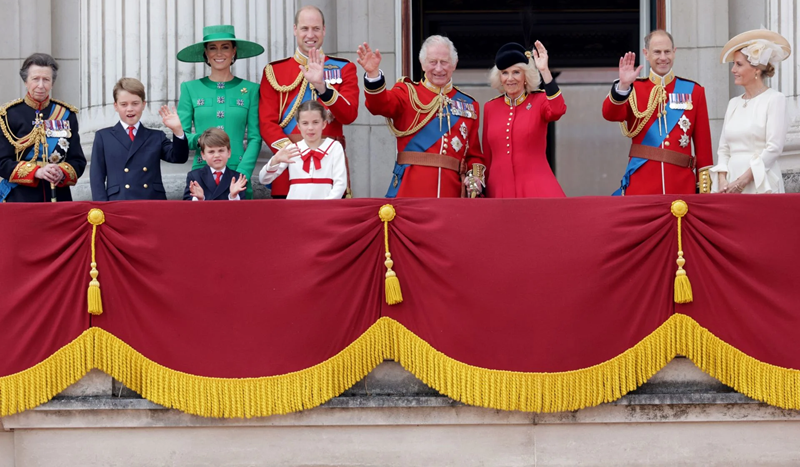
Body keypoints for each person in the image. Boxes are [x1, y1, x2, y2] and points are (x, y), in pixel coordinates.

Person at [357, 35, 486, 198]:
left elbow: (474, 155)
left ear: (454, 64)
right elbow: (379, 105)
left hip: (451, 194)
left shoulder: (469, 105)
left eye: (444, 62)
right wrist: (373, 75)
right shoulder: (407, 93)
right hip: (411, 191)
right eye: (433, 62)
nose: (439, 69)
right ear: (423, 64)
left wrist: (475, 179)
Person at [259, 5, 358, 198]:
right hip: (289, 169)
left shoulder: (344, 68)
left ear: (324, 30)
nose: (310, 34)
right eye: (305, 28)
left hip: (330, 165)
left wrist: (323, 87)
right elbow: (266, 123)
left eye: (316, 28)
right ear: (295, 29)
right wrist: (294, 154)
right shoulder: (275, 71)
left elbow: (349, 115)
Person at [602, 30, 713, 195]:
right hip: (641, 187)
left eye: (667, 52)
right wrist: (623, 86)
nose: (663, 57)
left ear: (674, 52)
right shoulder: (633, 89)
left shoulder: (694, 91)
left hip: (681, 187)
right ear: (646, 54)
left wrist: (703, 190)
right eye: (657, 52)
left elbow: (703, 147)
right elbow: (610, 114)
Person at [177, 25, 263, 199]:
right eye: (212, 48)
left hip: (238, 176)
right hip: (202, 174)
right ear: (206, 53)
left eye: (225, 47)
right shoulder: (190, 89)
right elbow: (181, 135)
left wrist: (242, 173)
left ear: (234, 51)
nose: (219, 53)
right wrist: (201, 139)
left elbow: (255, 137)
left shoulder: (251, 89)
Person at [711, 29, 791, 194]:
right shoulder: (733, 103)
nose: (733, 70)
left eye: (739, 64)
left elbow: (774, 148)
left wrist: (742, 181)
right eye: (733, 64)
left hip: (760, 182)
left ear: (757, 70)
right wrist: (722, 180)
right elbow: (723, 149)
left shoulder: (775, 99)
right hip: (730, 183)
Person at [483, 41, 566, 198]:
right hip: (499, 190)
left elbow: (558, 110)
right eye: (505, 73)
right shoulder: (490, 108)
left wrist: (544, 71)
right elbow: (487, 155)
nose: (510, 78)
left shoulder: (539, 100)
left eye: (516, 72)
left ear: (526, 76)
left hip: (536, 188)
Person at [0, 53, 86, 202]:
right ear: (26, 81)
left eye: (46, 80)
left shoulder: (66, 114)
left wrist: (61, 172)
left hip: (59, 198)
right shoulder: (9, 115)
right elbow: (2, 162)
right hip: (20, 198)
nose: (41, 85)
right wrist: (36, 172)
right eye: (35, 79)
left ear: (52, 83)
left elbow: (78, 161)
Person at [90, 78, 189, 201]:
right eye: (124, 104)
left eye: (135, 103)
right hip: (118, 202)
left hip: (151, 202)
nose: (130, 109)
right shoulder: (103, 136)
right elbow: (96, 177)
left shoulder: (156, 136)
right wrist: (101, 208)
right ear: (116, 106)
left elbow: (179, 158)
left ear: (143, 104)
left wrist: (178, 130)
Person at [259, 101, 346, 199]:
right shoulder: (291, 149)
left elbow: (340, 183)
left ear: (324, 124)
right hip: (295, 209)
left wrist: (325, 206)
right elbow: (264, 179)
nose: (310, 128)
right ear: (299, 126)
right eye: (305, 123)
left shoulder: (334, 147)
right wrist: (275, 160)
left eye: (315, 122)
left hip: (325, 209)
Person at [183, 128, 247, 201]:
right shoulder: (195, 176)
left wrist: (233, 196)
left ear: (229, 153)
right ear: (203, 155)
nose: (216, 155)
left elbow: (242, 209)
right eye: (211, 152)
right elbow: (186, 206)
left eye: (221, 150)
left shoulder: (238, 178)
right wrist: (199, 199)